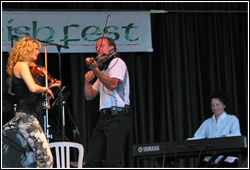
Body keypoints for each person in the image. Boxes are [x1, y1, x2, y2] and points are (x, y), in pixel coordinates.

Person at [4, 36, 61, 168]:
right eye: (35, 49)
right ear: (26, 49)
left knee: (31, 160)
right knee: (46, 158)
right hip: (26, 116)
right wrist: (45, 88)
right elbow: (33, 87)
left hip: (31, 116)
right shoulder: (21, 65)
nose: (38, 52)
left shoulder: (29, 68)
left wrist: (50, 87)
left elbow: (31, 89)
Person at [84, 37, 131, 167]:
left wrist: (96, 70)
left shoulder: (116, 62)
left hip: (117, 116)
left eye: (102, 46)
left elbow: (113, 84)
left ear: (112, 48)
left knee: (113, 161)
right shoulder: (103, 71)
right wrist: (87, 81)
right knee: (92, 160)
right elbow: (89, 96)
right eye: (96, 47)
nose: (98, 49)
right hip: (104, 118)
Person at [187, 91, 241, 168]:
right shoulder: (207, 123)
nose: (215, 108)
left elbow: (237, 135)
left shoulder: (232, 119)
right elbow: (197, 137)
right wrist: (185, 143)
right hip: (210, 160)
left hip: (228, 159)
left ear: (224, 105)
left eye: (217, 105)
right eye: (213, 105)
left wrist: (227, 137)